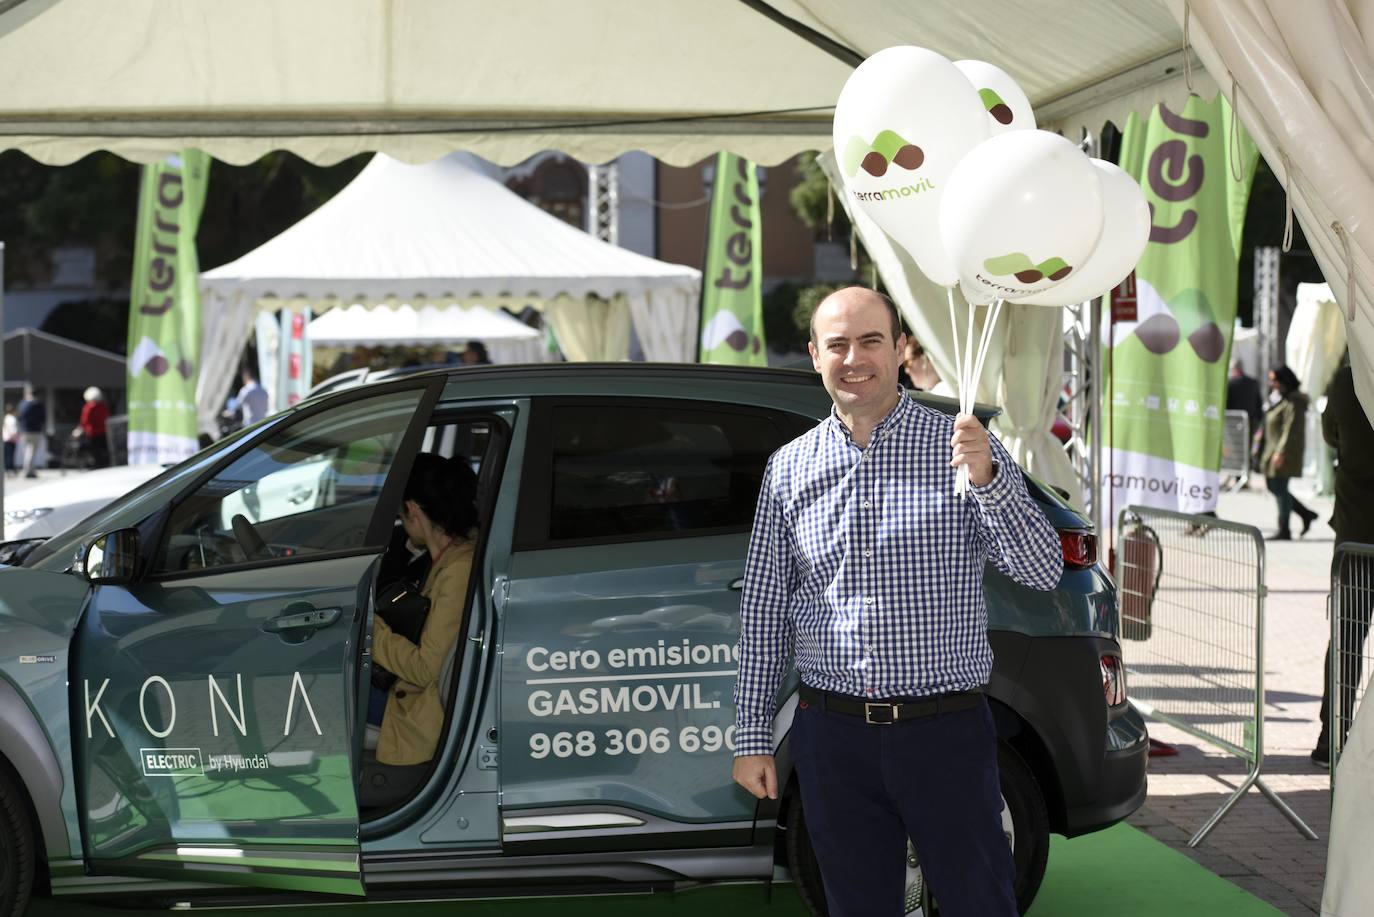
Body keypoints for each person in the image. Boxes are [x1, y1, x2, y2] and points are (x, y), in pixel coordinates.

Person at [731, 287, 1062, 916]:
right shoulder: (788, 468)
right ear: (814, 356)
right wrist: (751, 735)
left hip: (945, 732)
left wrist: (990, 483)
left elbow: (1042, 570)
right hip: (832, 737)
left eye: (871, 340)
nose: (854, 358)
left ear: (900, 347)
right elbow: (766, 611)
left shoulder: (963, 448)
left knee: (980, 903)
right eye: (838, 345)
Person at [369, 453, 479, 766]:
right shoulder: (448, 555)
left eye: (401, 515)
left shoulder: (458, 570)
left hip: (423, 707)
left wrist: (372, 633)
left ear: (414, 510)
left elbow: (426, 670)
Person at [1311, 361, 1374, 766]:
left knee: (1347, 638)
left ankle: (1332, 738)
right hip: (1355, 528)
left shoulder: (1350, 377)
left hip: (1356, 528)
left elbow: (1330, 432)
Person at [1260, 365, 1318, 540]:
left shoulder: (1294, 402)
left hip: (1283, 452)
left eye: (1274, 380)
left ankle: (1284, 528)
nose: (1271, 384)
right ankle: (1306, 514)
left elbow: (1290, 429)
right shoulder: (1279, 399)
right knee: (1273, 486)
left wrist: (1281, 452)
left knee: (1280, 488)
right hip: (1273, 450)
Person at [1227, 359, 1264, 441]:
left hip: (1233, 421)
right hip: (1250, 421)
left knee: (1235, 447)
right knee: (1247, 446)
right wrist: (1259, 420)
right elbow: (1259, 403)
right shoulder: (1253, 383)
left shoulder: (1229, 384)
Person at [16, 385, 46, 479]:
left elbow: (19, 417)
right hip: (34, 431)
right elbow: (43, 418)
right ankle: (28, 470)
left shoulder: (22, 403)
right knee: (31, 451)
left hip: (24, 430)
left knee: (28, 450)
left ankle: (30, 469)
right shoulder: (37, 404)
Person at [78, 386, 110, 468]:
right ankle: (102, 464)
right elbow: (106, 418)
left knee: (95, 451)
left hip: (92, 433)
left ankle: (96, 465)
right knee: (102, 451)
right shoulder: (103, 406)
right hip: (103, 432)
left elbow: (84, 421)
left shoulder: (88, 407)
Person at [2, 404, 17, 475]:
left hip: (5, 438)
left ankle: (8, 469)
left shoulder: (6, 417)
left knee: (7, 455)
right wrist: (15, 435)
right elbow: (13, 429)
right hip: (11, 439)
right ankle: (10, 469)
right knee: (10, 455)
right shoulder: (12, 418)